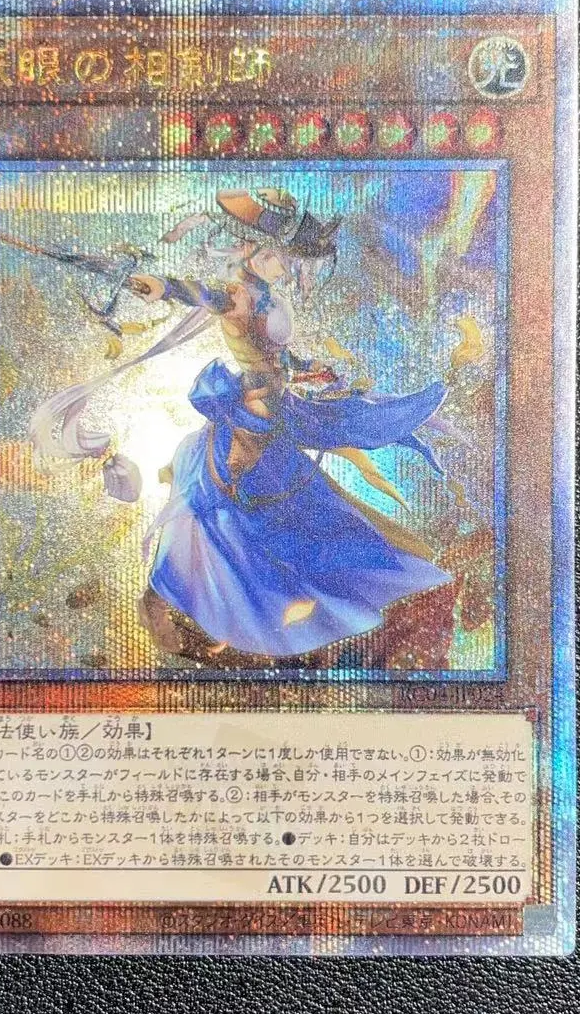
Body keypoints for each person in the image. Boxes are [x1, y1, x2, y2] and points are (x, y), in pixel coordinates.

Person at [112, 188, 453, 660]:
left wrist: (307, 368)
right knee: (238, 503)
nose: (286, 267)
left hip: (278, 405)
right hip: (255, 415)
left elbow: (276, 353)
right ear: (254, 250)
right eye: (279, 257)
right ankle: (180, 600)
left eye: (288, 259)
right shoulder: (237, 292)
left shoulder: (266, 294)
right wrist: (163, 286)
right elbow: (205, 295)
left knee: (319, 479)